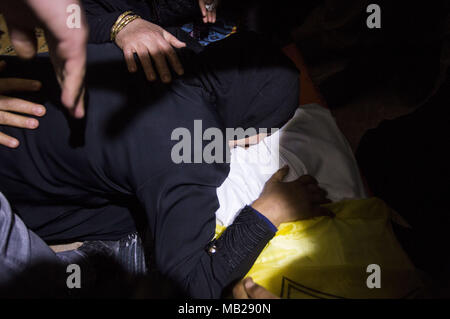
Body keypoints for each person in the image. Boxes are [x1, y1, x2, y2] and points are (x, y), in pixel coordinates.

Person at [0, 32, 324, 298]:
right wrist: (267, 213)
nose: (254, 143)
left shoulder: (149, 47)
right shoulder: (192, 149)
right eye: (261, 134)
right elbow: (187, 290)